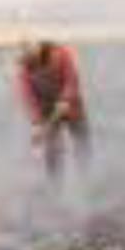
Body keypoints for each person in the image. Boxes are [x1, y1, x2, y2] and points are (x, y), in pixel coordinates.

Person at [17, 40, 91, 178]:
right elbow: (28, 97)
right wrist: (37, 122)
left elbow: (72, 79)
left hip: (72, 105)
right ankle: (55, 183)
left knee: (81, 139)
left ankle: (86, 175)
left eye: (34, 56)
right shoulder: (24, 70)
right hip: (47, 108)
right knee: (52, 149)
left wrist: (65, 99)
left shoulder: (61, 54)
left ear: (39, 50)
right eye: (29, 59)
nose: (33, 62)